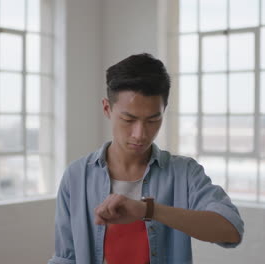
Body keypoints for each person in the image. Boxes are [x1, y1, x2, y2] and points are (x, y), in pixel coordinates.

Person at [47, 53, 244, 264]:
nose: (140, 134)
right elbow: (65, 257)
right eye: (128, 119)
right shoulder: (77, 176)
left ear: (163, 111)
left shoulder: (184, 173)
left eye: (153, 120)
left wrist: (148, 210)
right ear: (107, 108)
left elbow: (231, 231)